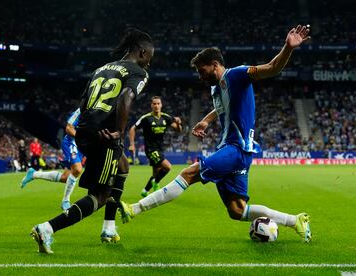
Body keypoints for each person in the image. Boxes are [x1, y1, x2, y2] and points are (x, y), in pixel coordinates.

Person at [119, 25, 312, 242]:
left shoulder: (237, 74)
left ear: (215, 65)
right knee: (237, 210)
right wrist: (205, 121)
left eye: (202, 71)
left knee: (189, 173)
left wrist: (288, 47)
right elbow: (221, 108)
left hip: (237, 149)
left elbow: (272, 67)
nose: (200, 77)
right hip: (234, 149)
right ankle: (295, 220)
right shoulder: (215, 88)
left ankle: (135, 208)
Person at [30, 28, 154, 254]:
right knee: (100, 196)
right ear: (143, 52)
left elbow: (84, 102)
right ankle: (47, 228)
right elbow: (126, 97)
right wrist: (118, 131)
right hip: (105, 135)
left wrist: (86, 131)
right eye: (150, 58)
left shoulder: (102, 68)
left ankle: (108, 227)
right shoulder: (138, 72)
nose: (149, 64)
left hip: (85, 131)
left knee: (123, 166)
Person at [21, 108, 84, 211]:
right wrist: (84, 136)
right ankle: (65, 201)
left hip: (83, 145)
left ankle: (34, 174)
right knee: (77, 169)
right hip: (72, 142)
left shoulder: (101, 112)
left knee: (65, 177)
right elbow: (69, 128)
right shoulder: (81, 110)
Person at [128, 96, 182, 197]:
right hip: (150, 149)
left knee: (156, 173)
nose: (156, 106)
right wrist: (132, 145)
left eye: (158, 103)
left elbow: (178, 130)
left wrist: (178, 123)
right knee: (168, 167)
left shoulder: (166, 117)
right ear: (151, 105)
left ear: (161, 105)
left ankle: (145, 190)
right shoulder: (146, 118)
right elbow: (132, 129)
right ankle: (156, 183)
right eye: (154, 104)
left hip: (160, 148)